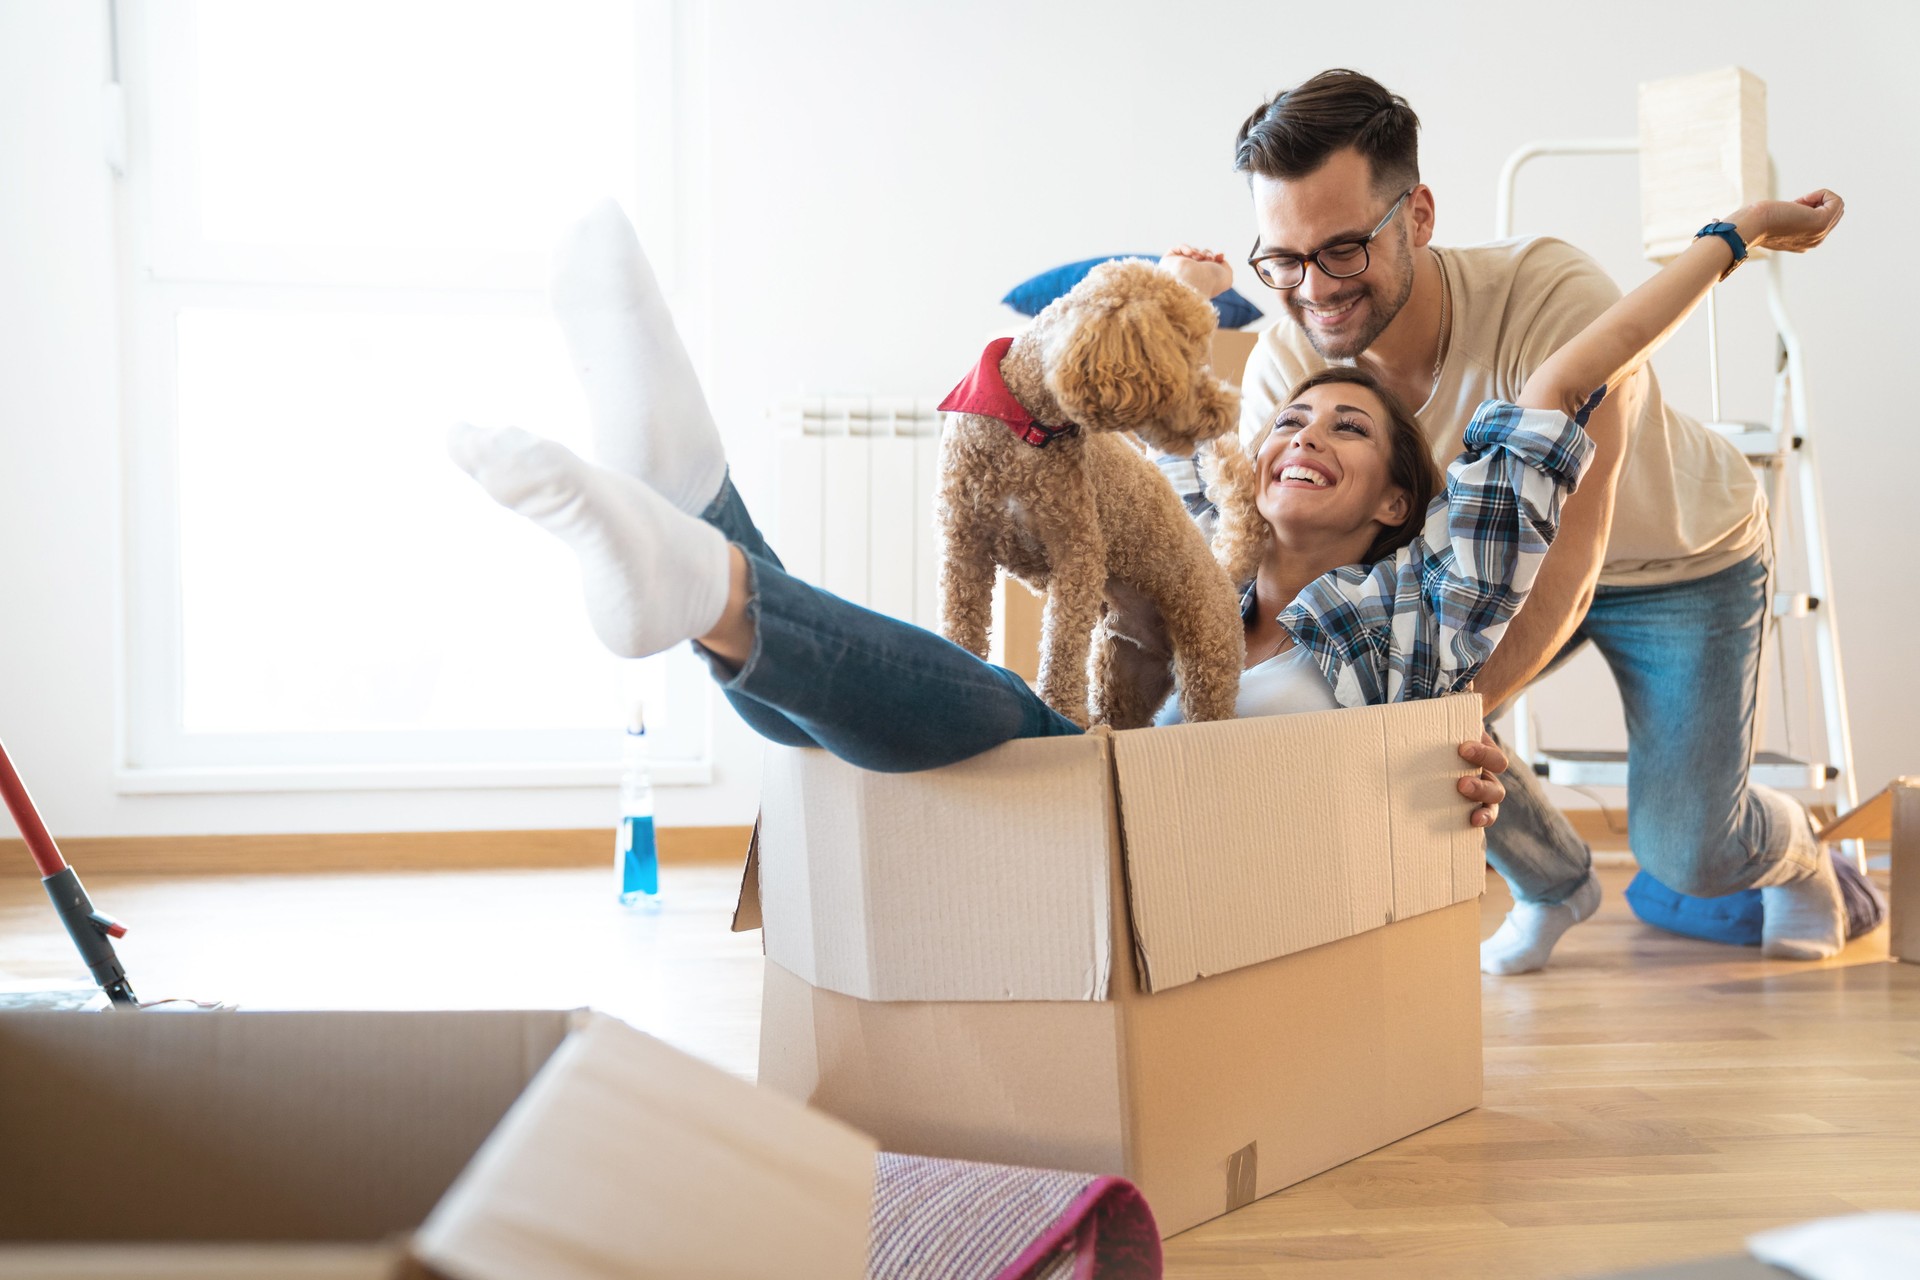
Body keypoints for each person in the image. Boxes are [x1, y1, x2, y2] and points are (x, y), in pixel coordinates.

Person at [447, 188, 1832, 852]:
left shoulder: (1425, 610)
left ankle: (705, 544)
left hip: (1193, 860)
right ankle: (699, 529)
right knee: (959, 732)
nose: (1302, 430)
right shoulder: (1198, 547)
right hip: (1105, 818)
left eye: (1349, 427)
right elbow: (1043, 325)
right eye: (1292, 415)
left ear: (1401, 498)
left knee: (1003, 734)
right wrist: (1181, 288)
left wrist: (1730, 237)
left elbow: (1572, 374)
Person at [1158, 70, 1846, 972]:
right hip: (1473, 575)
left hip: (1672, 560)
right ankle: (1560, 882)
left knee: (1689, 853)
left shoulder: (1547, 293)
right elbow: (1253, 546)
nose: (1312, 289)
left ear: (1419, 215)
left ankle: (1800, 850)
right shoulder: (1286, 358)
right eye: (1282, 259)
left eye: (1343, 250)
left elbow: (1564, 569)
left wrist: (1738, 234)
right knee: (1379, 677)